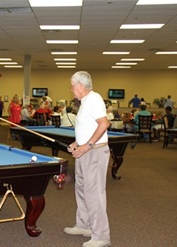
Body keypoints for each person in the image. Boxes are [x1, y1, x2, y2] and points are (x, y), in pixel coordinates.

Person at [64, 71, 111, 247]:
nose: (71, 89)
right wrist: (78, 143)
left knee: (94, 194)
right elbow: (88, 127)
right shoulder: (84, 102)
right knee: (81, 190)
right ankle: (84, 225)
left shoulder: (94, 99)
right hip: (85, 153)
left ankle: (101, 236)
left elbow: (104, 124)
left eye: (72, 85)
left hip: (95, 153)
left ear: (81, 85)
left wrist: (87, 146)